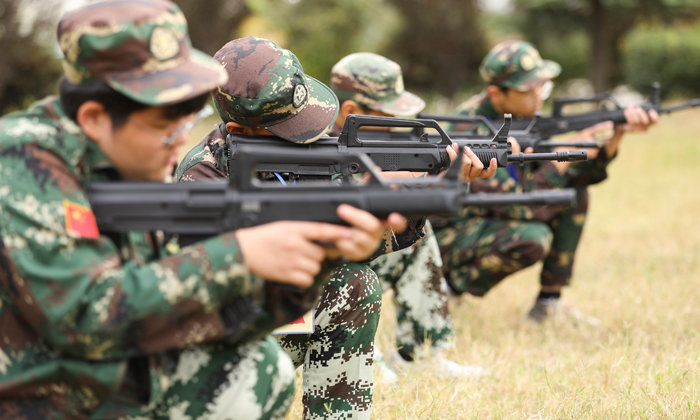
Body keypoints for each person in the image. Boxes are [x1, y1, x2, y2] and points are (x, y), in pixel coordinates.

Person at [0, 3, 399, 419]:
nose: (181, 143)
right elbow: (86, 316)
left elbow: (199, 320)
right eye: (167, 128)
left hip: (102, 378)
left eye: (189, 121)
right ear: (96, 118)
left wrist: (316, 259)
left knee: (258, 370)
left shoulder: (121, 161)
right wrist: (241, 254)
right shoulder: (22, 162)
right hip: (35, 395)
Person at [176, 37, 493, 419]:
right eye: (290, 129)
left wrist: (421, 184)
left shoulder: (297, 159)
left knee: (355, 282)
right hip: (228, 343)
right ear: (239, 132)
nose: (309, 136)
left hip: (279, 312)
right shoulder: (202, 178)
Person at [432, 40, 657, 324]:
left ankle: (548, 304)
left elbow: (572, 177)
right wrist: (562, 159)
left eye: (543, 87)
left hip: (482, 220)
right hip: (444, 235)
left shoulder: (519, 118)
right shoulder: (466, 131)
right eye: (528, 90)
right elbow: (520, 204)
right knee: (532, 239)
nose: (538, 97)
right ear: (496, 94)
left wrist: (612, 138)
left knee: (575, 192)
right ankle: (443, 293)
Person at [329, 52, 491, 380]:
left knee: (417, 233)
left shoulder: (372, 149)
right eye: (390, 117)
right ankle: (352, 351)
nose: (401, 129)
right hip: (313, 280)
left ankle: (421, 352)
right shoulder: (305, 150)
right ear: (350, 113)